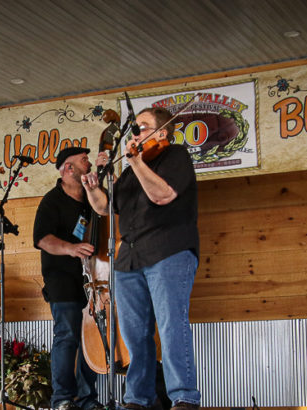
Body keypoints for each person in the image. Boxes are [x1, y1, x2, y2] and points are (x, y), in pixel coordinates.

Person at [81, 107, 201, 410]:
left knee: (172, 326)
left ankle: (184, 397)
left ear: (162, 133)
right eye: (134, 129)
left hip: (168, 251)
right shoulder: (132, 170)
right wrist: (93, 186)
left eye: (143, 127)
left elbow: (162, 195)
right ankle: (138, 398)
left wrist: (134, 161)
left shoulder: (175, 156)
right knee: (134, 334)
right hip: (130, 258)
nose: (135, 134)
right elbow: (104, 209)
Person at [33, 147, 100, 410]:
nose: (89, 163)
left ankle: (87, 398)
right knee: (67, 335)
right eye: (84, 160)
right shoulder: (51, 200)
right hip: (61, 277)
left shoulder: (91, 198)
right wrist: (71, 248)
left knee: (91, 336)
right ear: (68, 169)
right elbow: (42, 239)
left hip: (93, 279)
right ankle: (61, 399)